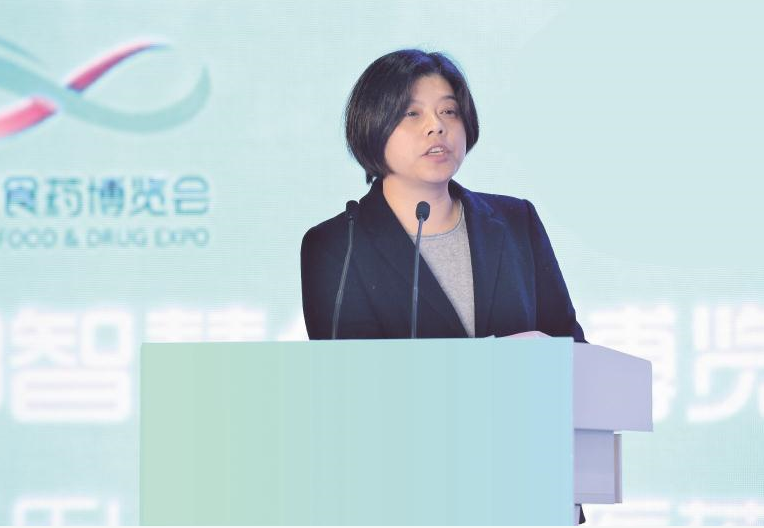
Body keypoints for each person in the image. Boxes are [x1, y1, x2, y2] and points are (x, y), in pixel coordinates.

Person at [301, 49, 586, 346]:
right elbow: (351, 369)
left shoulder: (517, 221)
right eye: (412, 113)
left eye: (449, 111)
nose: (436, 125)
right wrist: (496, 358)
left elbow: (572, 348)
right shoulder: (338, 245)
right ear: (373, 125)